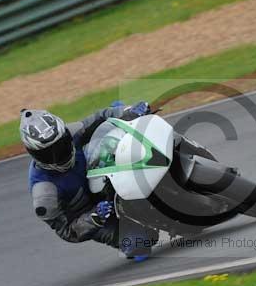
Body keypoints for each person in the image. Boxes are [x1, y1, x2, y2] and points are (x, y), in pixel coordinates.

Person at [19, 101, 157, 261]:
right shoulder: (44, 193)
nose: (57, 156)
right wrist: (94, 217)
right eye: (47, 154)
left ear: (64, 134)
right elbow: (67, 231)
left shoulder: (72, 132)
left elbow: (101, 116)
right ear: (33, 154)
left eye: (60, 145)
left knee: (113, 120)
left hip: (103, 178)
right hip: (93, 213)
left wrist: (128, 112)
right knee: (142, 243)